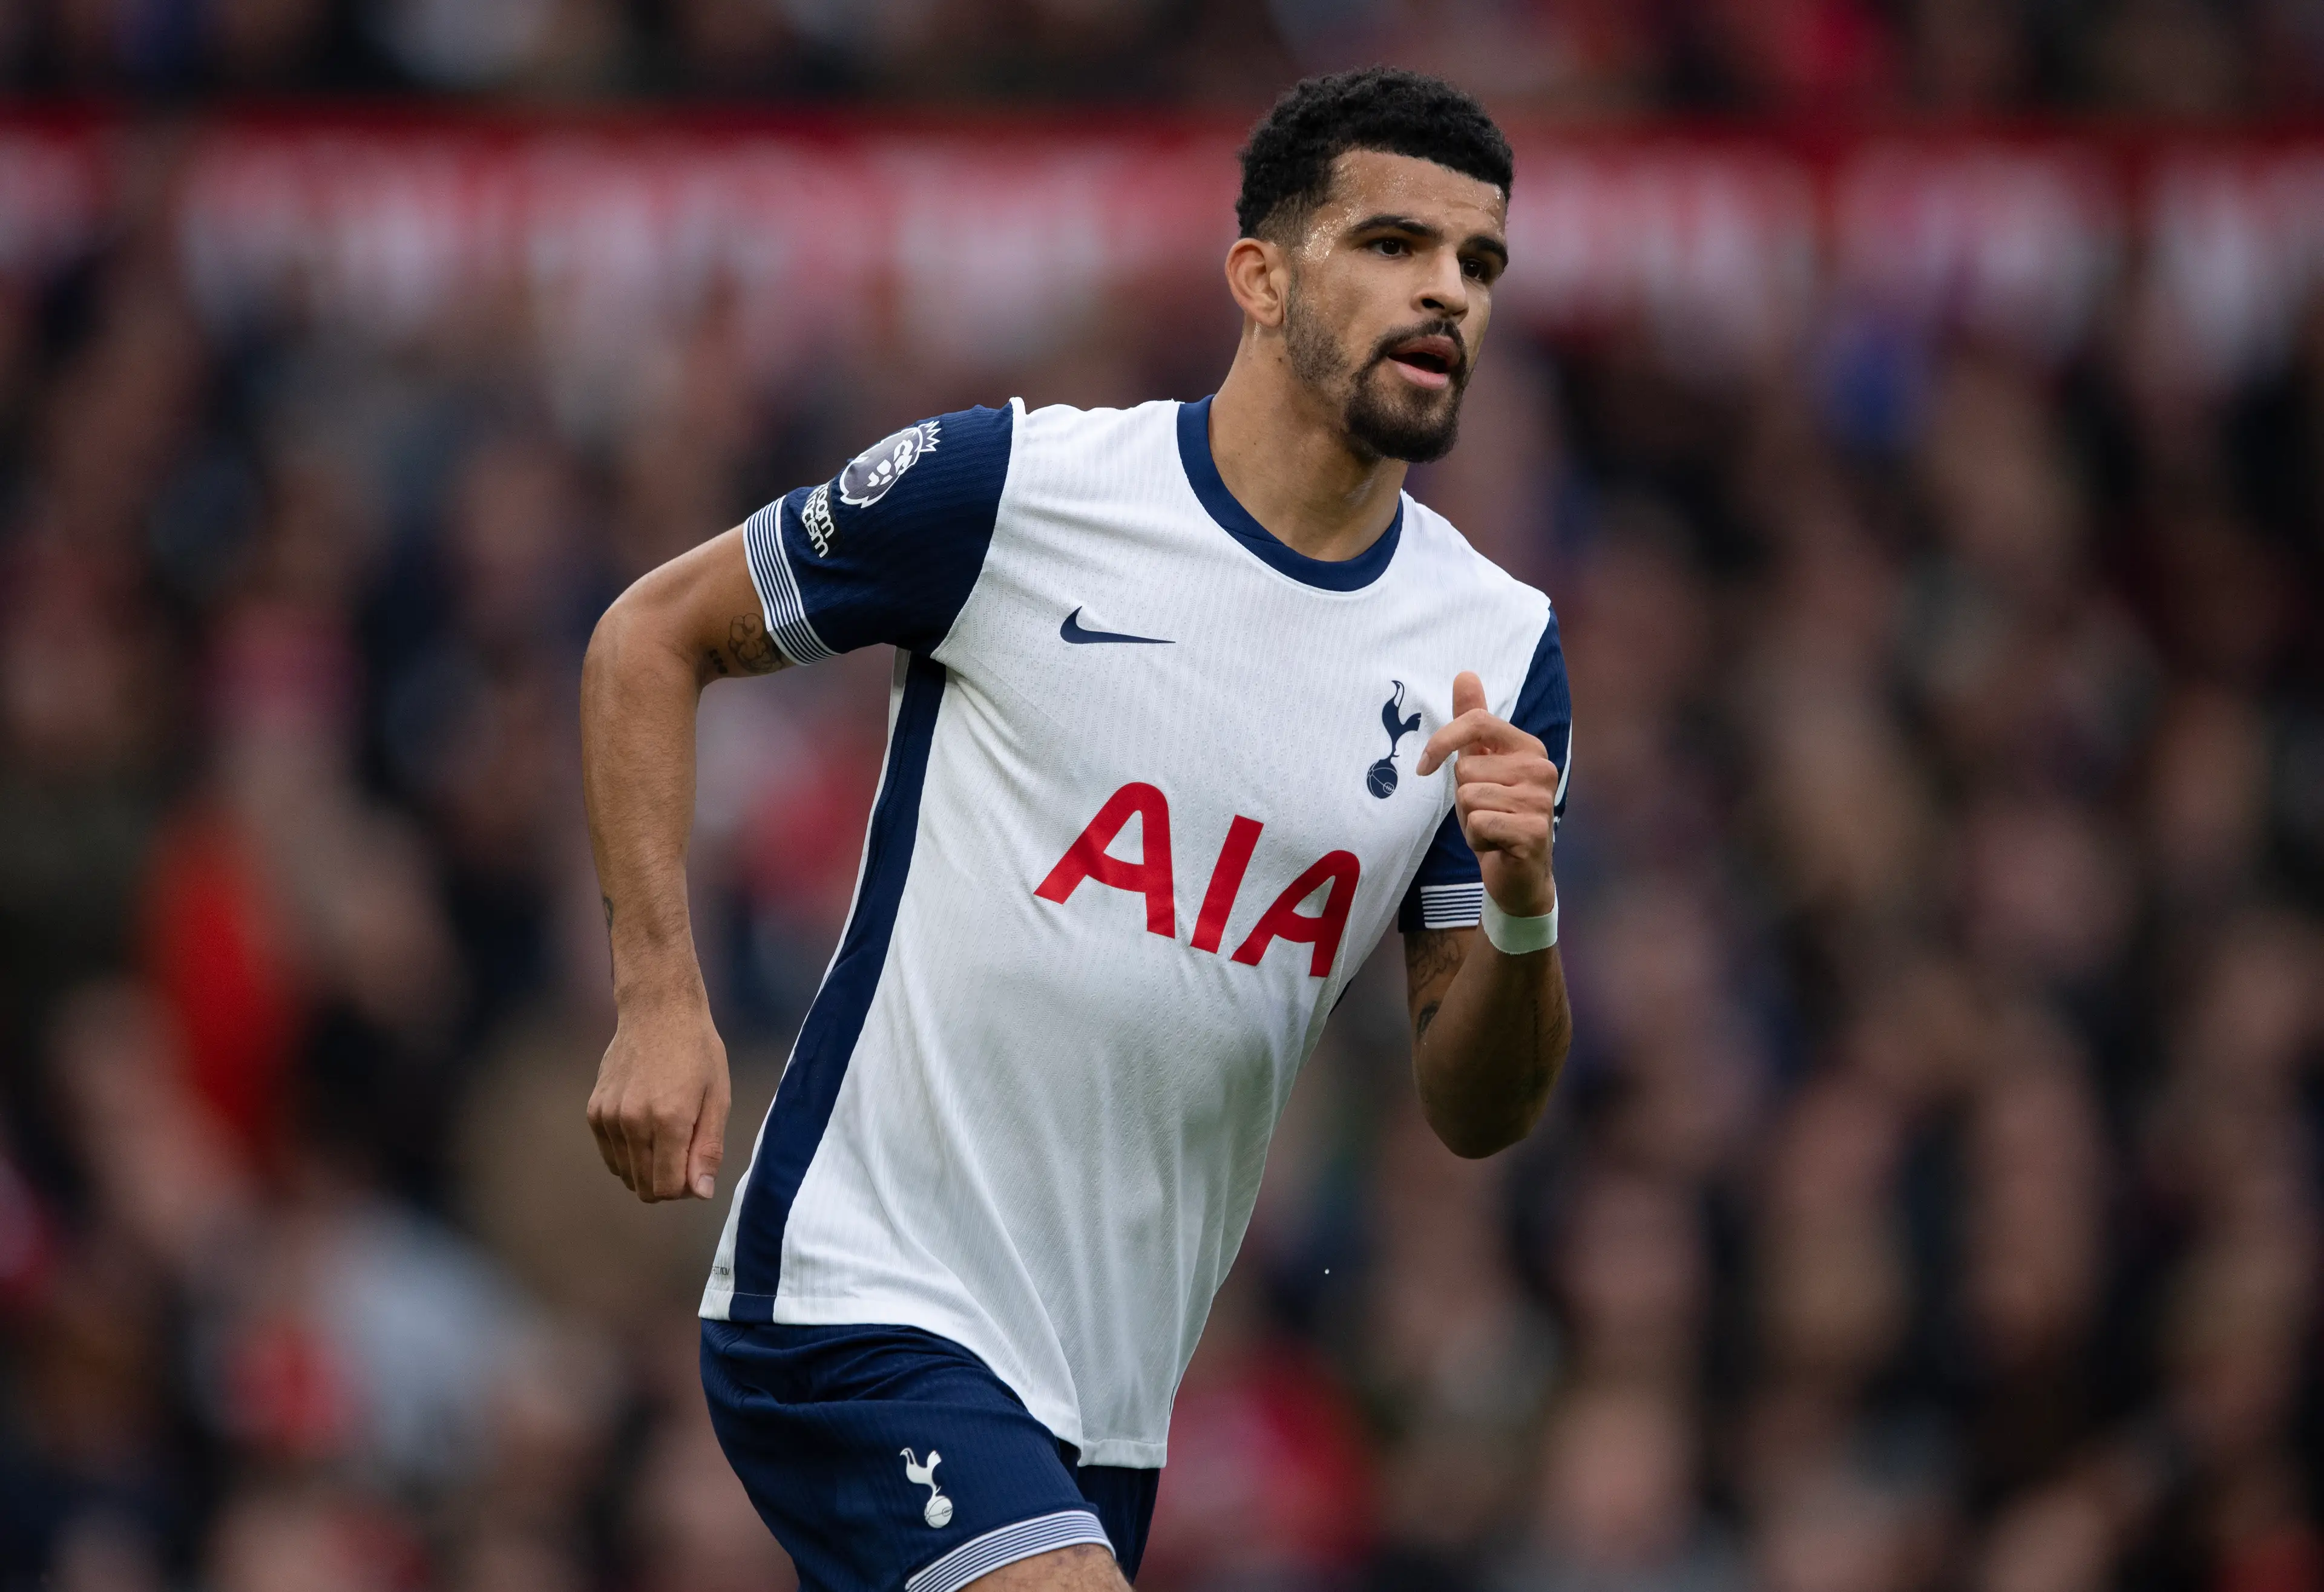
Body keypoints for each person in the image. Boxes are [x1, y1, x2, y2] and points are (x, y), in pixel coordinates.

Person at [579, 67, 1574, 1592]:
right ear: (1260, 274)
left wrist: (1521, 905)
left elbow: (1481, 1105)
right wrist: (659, 997)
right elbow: (650, 637)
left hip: (1106, 1403)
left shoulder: (1493, 653)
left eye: (1479, 263)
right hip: (866, 1301)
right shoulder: (1016, 489)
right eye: (1393, 244)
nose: (1447, 290)